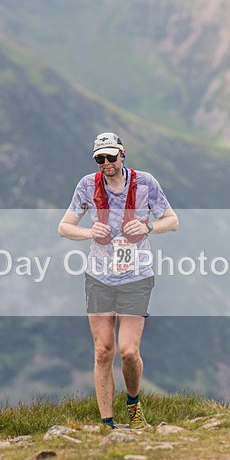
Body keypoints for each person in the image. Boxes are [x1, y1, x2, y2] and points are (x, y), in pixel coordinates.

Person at [58, 131, 178, 429]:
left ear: (122, 154)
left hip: (137, 276)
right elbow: (64, 227)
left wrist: (147, 225)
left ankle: (134, 404)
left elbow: (172, 221)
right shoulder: (87, 185)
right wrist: (89, 233)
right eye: (100, 158)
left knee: (128, 351)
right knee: (102, 351)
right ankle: (106, 423)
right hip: (98, 277)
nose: (106, 163)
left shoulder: (146, 182)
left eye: (111, 156)